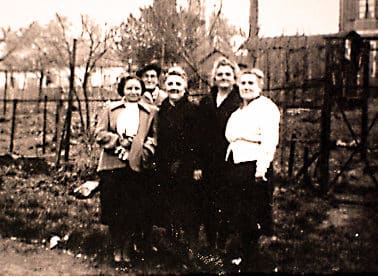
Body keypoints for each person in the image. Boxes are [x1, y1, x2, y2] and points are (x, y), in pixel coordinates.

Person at [95, 75, 157, 265]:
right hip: (112, 165)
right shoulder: (110, 109)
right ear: (122, 90)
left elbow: (154, 138)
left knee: (132, 210)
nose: (134, 92)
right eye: (129, 88)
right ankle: (116, 249)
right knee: (114, 209)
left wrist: (138, 149)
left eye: (137, 88)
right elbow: (99, 134)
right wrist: (118, 143)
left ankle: (128, 249)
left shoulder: (151, 112)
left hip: (135, 166)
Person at [224, 68, 280, 268]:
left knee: (252, 215)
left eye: (251, 83)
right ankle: (241, 258)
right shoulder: (239, 110)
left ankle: (251, 261)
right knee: (239, 214)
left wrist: (261, 170)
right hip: (236, 165)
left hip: (253, 167)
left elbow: (269, 141)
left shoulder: (266, 107)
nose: (246, 87)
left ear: (260, 86)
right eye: (243, 83)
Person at [154, 65, 203, 257]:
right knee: (169, 207)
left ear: (185, 87)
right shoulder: (162, 110)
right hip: (166, 166)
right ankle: (173, 250)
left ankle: (191, 251)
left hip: (187, 166)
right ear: (165, 86)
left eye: (178, 84)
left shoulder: (193, 110)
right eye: (170, 84)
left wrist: (196, 166)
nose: (174, 87)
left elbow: (199, 141)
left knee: (189, 208)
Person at [198, 57, 242, 251]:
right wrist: (198, 164)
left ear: (234, 78)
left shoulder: (240, 101)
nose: (223, 78)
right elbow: (197, 135)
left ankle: (223, 244)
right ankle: (210, 242)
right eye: (220, 74)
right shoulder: (206, 101)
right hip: (208, 161)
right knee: (207, 201)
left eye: (227, 74)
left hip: (229, 159)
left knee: (226, 202)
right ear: (214, 77)